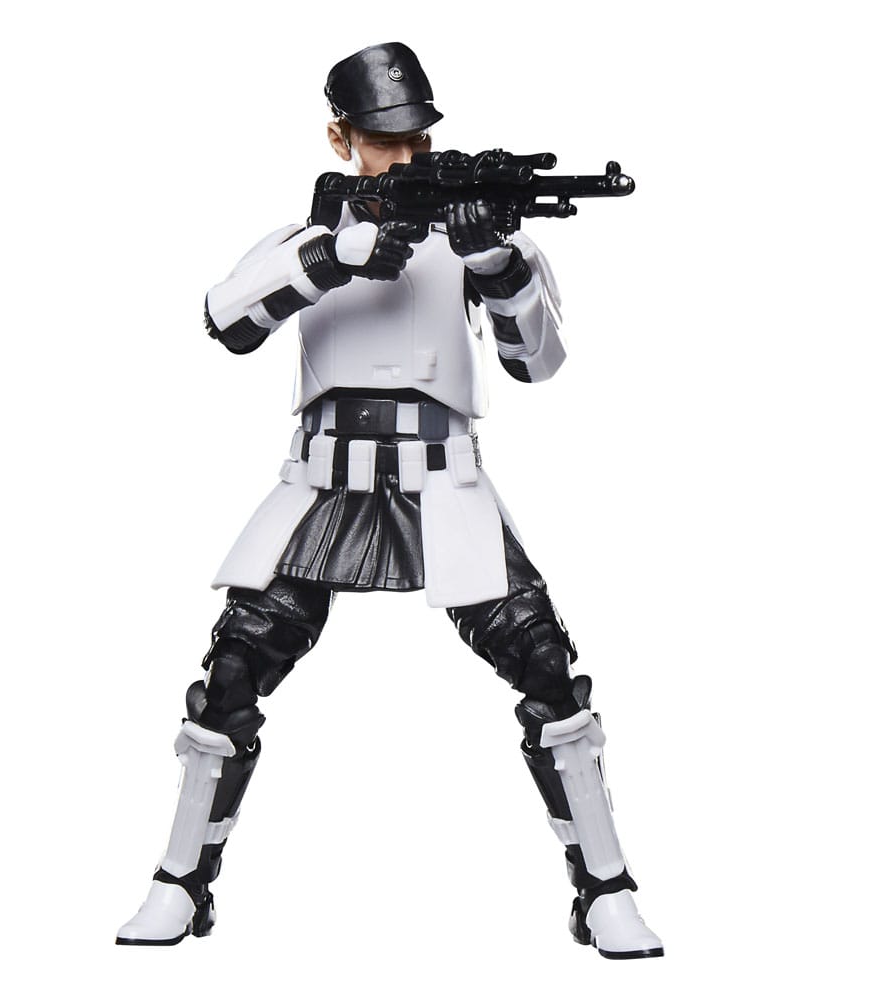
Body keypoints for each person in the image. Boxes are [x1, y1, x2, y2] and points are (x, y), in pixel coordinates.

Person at [116, 41, 663, 960]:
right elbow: (226, 319)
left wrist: (497, 262)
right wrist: (333, 257)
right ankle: (180, 883)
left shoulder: (472, 237)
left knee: (546, 669)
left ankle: (605, 891)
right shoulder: (312, 234)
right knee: (233, 675)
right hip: (323, 483)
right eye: (383, 141)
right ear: (341, 140)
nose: (405, 158)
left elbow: (538, 362)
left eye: (418, 142)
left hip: (443, 479)